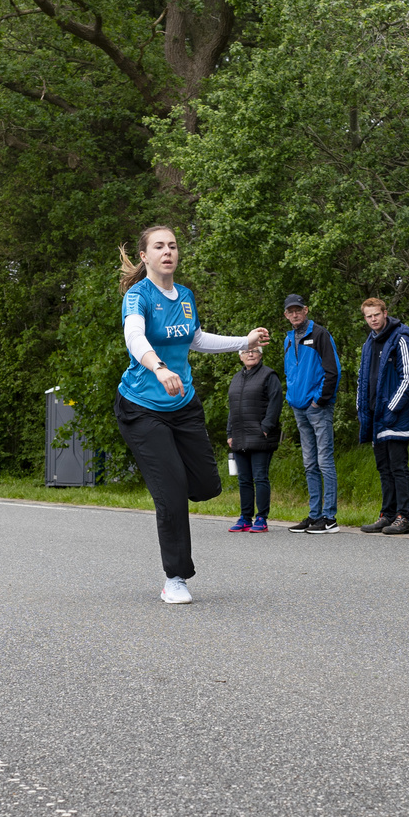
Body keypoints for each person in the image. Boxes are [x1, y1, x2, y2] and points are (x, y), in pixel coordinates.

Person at [115, 225, 269, 604]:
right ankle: (176, 578)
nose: (168, 251)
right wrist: (159, 367)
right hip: (141, 407)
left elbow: (196, 339)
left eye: (173, 245)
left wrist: (244, 341)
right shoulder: (138, 297)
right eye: (158, 246)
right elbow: (135, 337)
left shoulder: (184, 296)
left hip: (183, 407)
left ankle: (173, 481)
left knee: (206, 487)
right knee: (172, 493)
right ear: (144, 257)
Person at [355, 297, 409, 535]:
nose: (373, 319)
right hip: (376, 418)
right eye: (368, 316)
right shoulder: (368, 344)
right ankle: (388, 514)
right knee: (383, 468)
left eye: (376, 314)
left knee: (398, 467)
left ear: (385, 313)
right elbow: (363, 379)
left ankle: (405, 517)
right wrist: (362, 408)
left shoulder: (400, 339)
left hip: (395, 416)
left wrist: (391, 408)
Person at [281, 295, 341, 534]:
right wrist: (291, 397)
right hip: (298, 408)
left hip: (317, 408)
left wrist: (320, 400)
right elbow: (290, 372)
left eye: (298, 310)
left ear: (306, 310)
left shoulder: (320, 335)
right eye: (290, 311)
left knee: (324, 461)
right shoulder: (287, 339)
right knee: (309, 463)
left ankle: (329, 517)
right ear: (286, 315)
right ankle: (315, 515)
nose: (295, 314)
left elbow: (333, 371)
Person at [226, 344, 282, 533]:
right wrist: (229, 433)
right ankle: (245, 517)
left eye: (255, 351)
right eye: (246, 352)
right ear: (240, 356)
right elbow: (232, 408)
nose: (250, 354)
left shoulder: (268, 375)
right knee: (243, 479)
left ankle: (262, 518)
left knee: (260, 478)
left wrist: (266, 428)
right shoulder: (236, 378)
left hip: (260, 436)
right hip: (239, 436)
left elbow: (276, 403)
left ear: (260, 355)